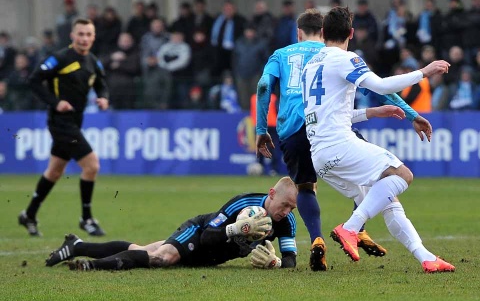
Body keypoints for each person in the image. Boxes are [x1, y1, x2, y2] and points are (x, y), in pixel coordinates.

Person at [256, 9, 433, 272]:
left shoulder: (283, 54)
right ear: (334, 32)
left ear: (299, 33)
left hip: (296, 130)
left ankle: (318, 238)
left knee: (306, 187)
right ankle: (355, 228)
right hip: (332, 132)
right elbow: (379, 88)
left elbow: (263, 86)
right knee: (375, 176)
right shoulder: (338, 57)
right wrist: (411, 114)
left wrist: (261, 129)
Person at [302, 6, 455, 273]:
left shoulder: (310, 67)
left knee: (388, 202)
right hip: (339, 145)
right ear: (351, 33)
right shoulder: (346, 58)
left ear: (323, 32)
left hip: (320, 156)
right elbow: (382, 86)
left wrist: (372, 112)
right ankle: (350, 228)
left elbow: (329, 114)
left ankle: (426, 258)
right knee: (401, 174)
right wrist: (424, 71)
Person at [45, 177, 298, 271]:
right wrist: (237, 229)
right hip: (198, 233)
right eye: (284, 205)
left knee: (142, 251)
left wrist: (275, 263)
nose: (285, 212)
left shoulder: (286, 222)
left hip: (209, 260)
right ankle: (90, 266)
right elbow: (209, 236)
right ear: (272, 194)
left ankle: (77, 245)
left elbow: (290, 261)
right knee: (162, 258)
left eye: (291, 209)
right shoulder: (242, 203)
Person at [18, 18, 109, 237]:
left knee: (55, 170)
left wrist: (103, 98)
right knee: (92, 165)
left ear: (93, 37)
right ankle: (86, 219)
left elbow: (101, 84)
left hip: (76, 121)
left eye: (88, 34)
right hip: (60, 122)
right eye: (81, 34)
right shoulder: (59, 58)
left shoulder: (93, 62)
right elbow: (33, 80)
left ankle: (29, 214)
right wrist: (55, 102)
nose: (84, 38)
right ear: (72, 35)